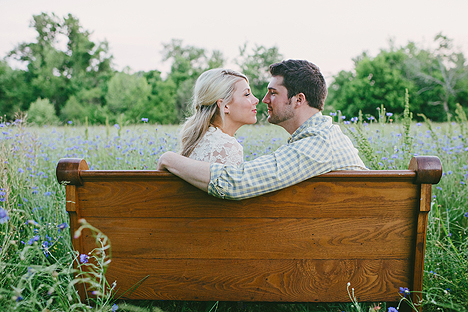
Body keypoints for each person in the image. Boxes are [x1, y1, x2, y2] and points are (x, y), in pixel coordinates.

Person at [157, 59, 367, 200]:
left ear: (298, 100)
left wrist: (169, 158)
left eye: (273, 93)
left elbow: (236, 182)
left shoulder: (318, 144)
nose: (263, 100)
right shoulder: (318, 139)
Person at [179, 68, 259, 166]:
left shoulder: (199, 139)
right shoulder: (227, 147)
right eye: (247, 94)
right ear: (225, 106)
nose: (256, 100)